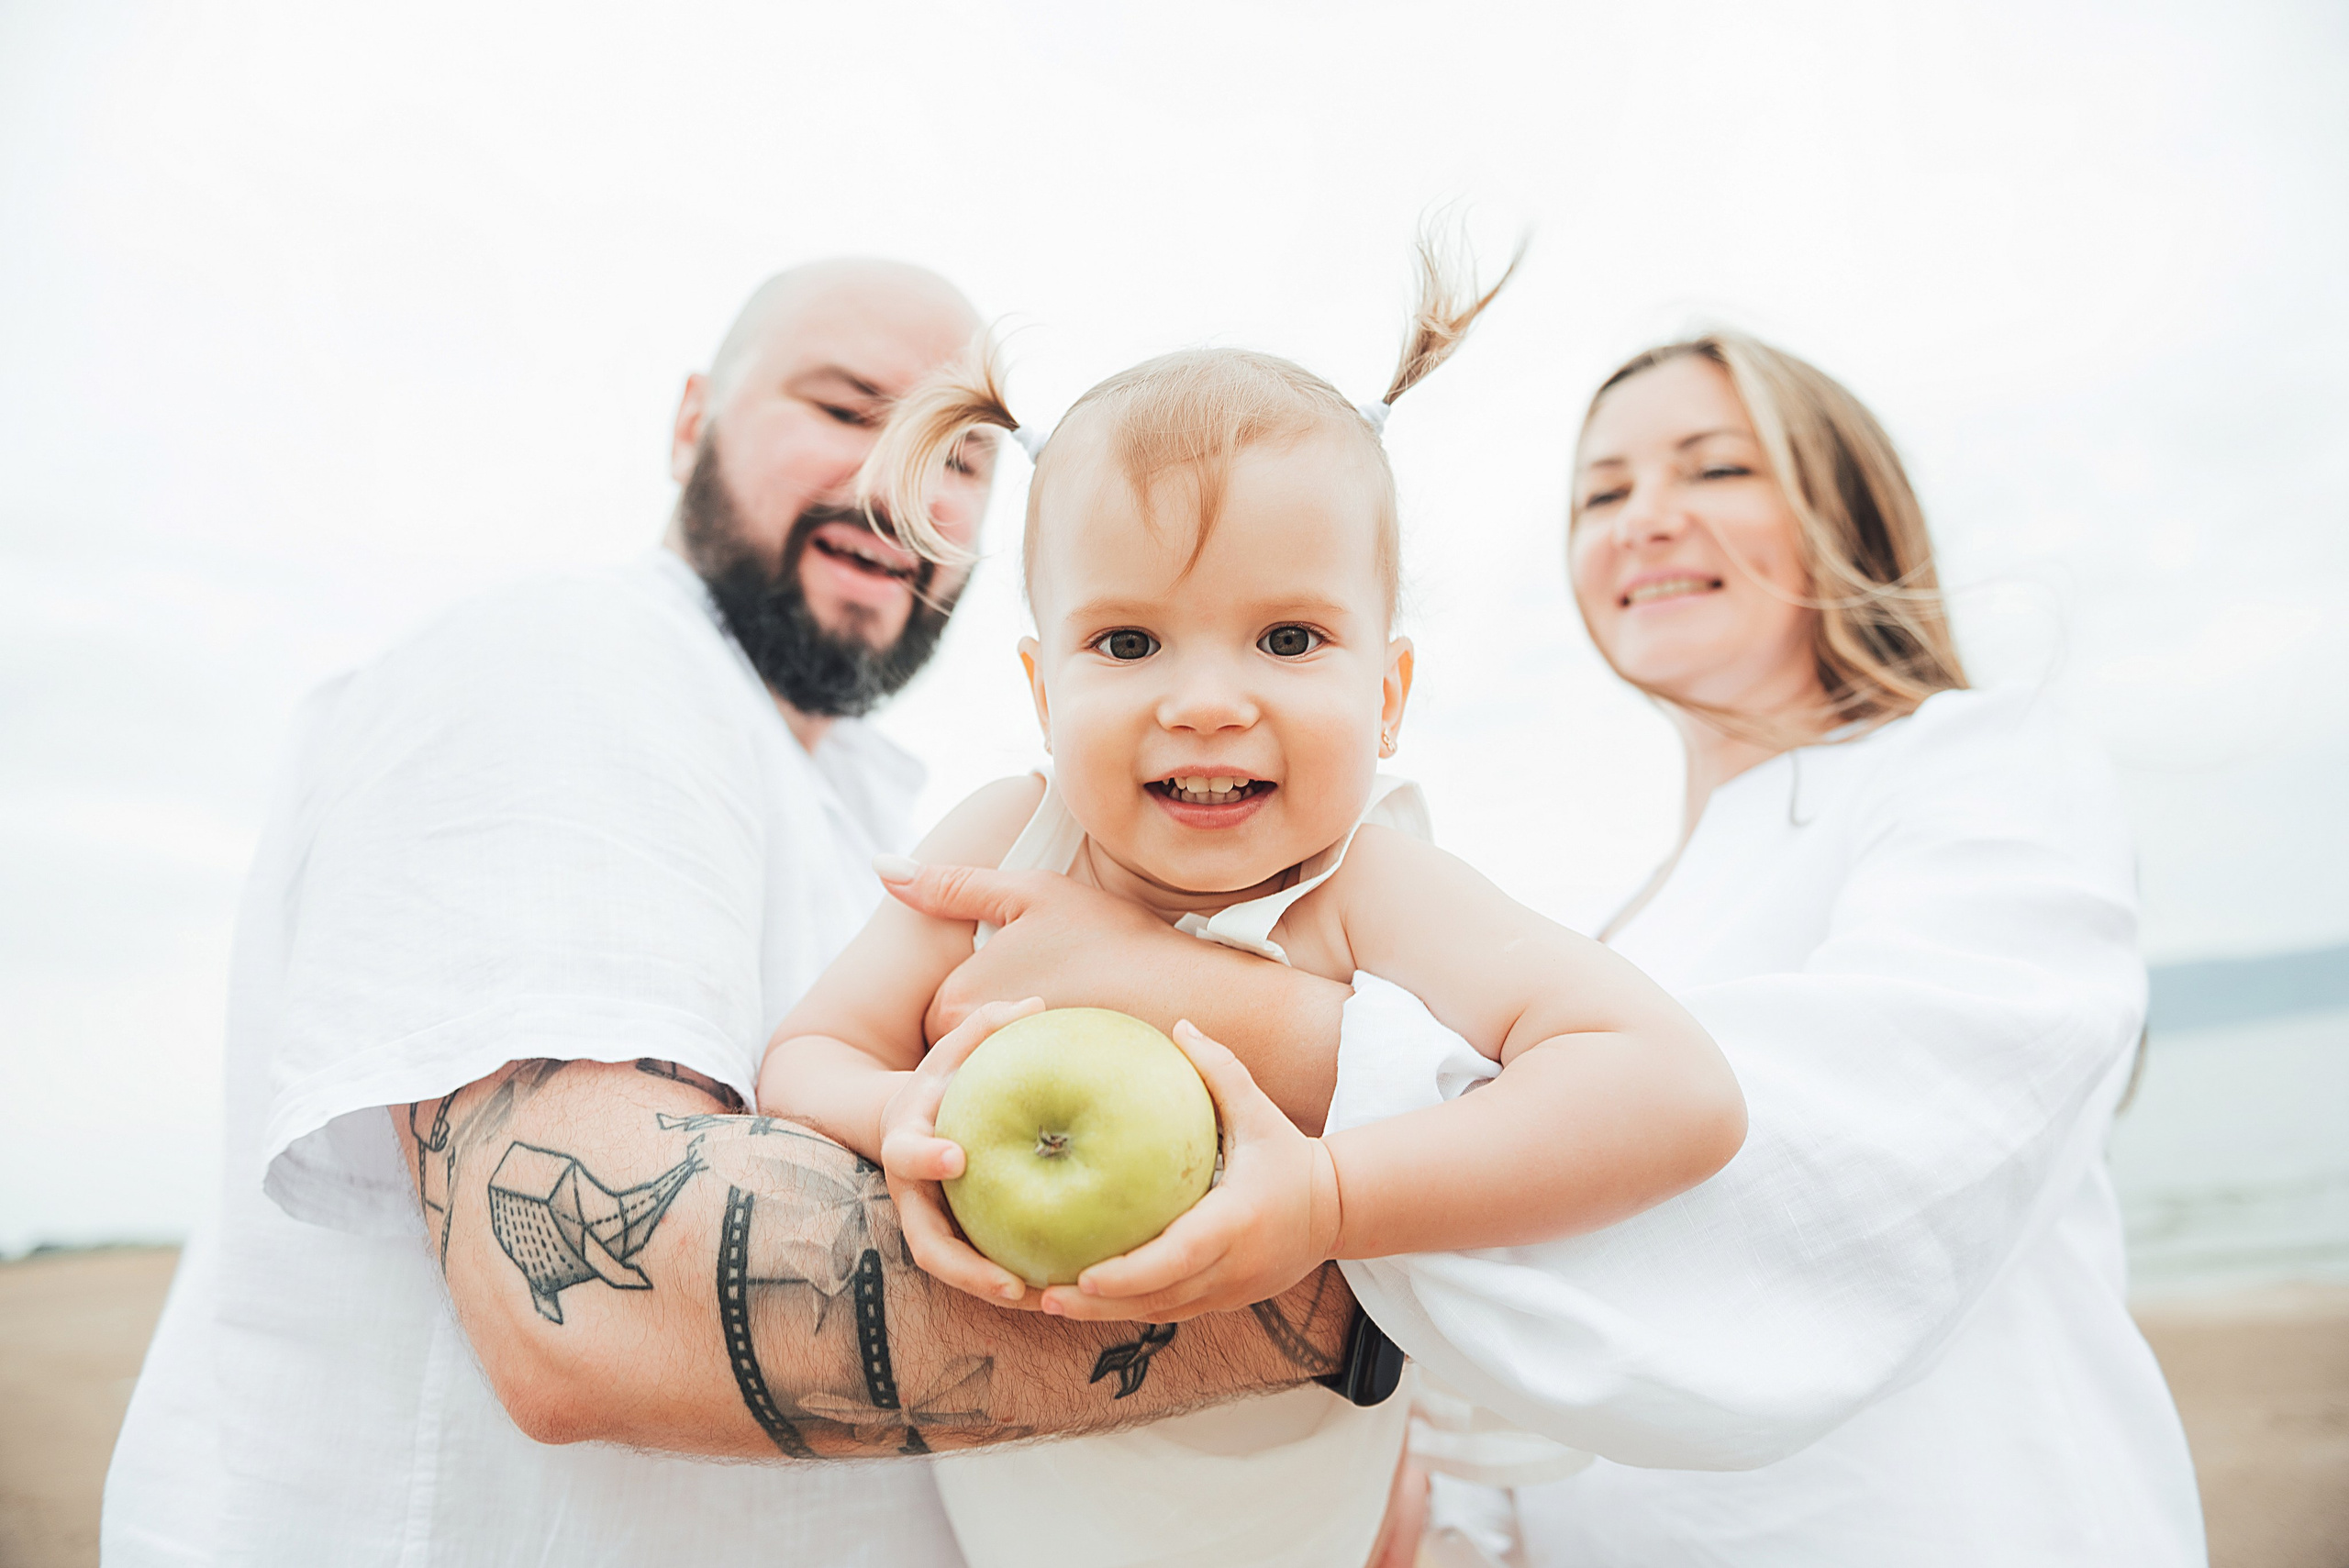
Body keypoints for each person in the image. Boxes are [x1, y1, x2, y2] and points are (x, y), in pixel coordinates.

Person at [100, 259, 1377, 1568]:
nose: (898, 486)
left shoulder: (900, 824)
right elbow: (591, 1307)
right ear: (688, 418)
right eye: (843, 407)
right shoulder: (571, 661)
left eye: (959, 462)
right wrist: (1390, 1283)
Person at [756, 244, 1745, 1568]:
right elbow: (806, 1054)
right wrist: (902, 1114)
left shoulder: (1368, 888)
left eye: (1287, 639)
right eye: (1129, 641)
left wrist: (1332, 1195)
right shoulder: (1008, 845)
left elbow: (1675, 1090)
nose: (1208, 698)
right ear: (1045, 695)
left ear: (1386, 697)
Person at [1305, 330, 2206, 1565]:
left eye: (1715, 470)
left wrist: (1320, 1085)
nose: (1647, 520)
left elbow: (1876, 1123)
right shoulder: (1606, 938)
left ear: (1844, 509)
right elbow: (1510, 1402)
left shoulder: (1974, 760)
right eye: (1604, 493)